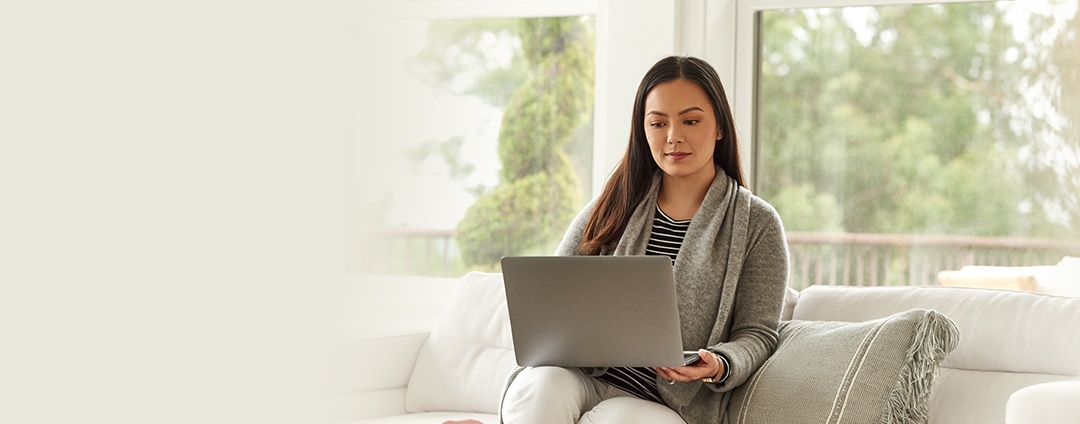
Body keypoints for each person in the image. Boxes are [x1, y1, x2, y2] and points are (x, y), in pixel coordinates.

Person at [448, 55, 790, 424]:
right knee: (541, 386)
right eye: (658, 123)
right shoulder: (613, 204)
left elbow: (757, 334)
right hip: (583, 376)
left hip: (665, 404)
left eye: (690, 120)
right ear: (642, 130)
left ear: (720, 127)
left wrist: (718, 363)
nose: (673, 136)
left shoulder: (758, 224)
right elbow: (555, 294)